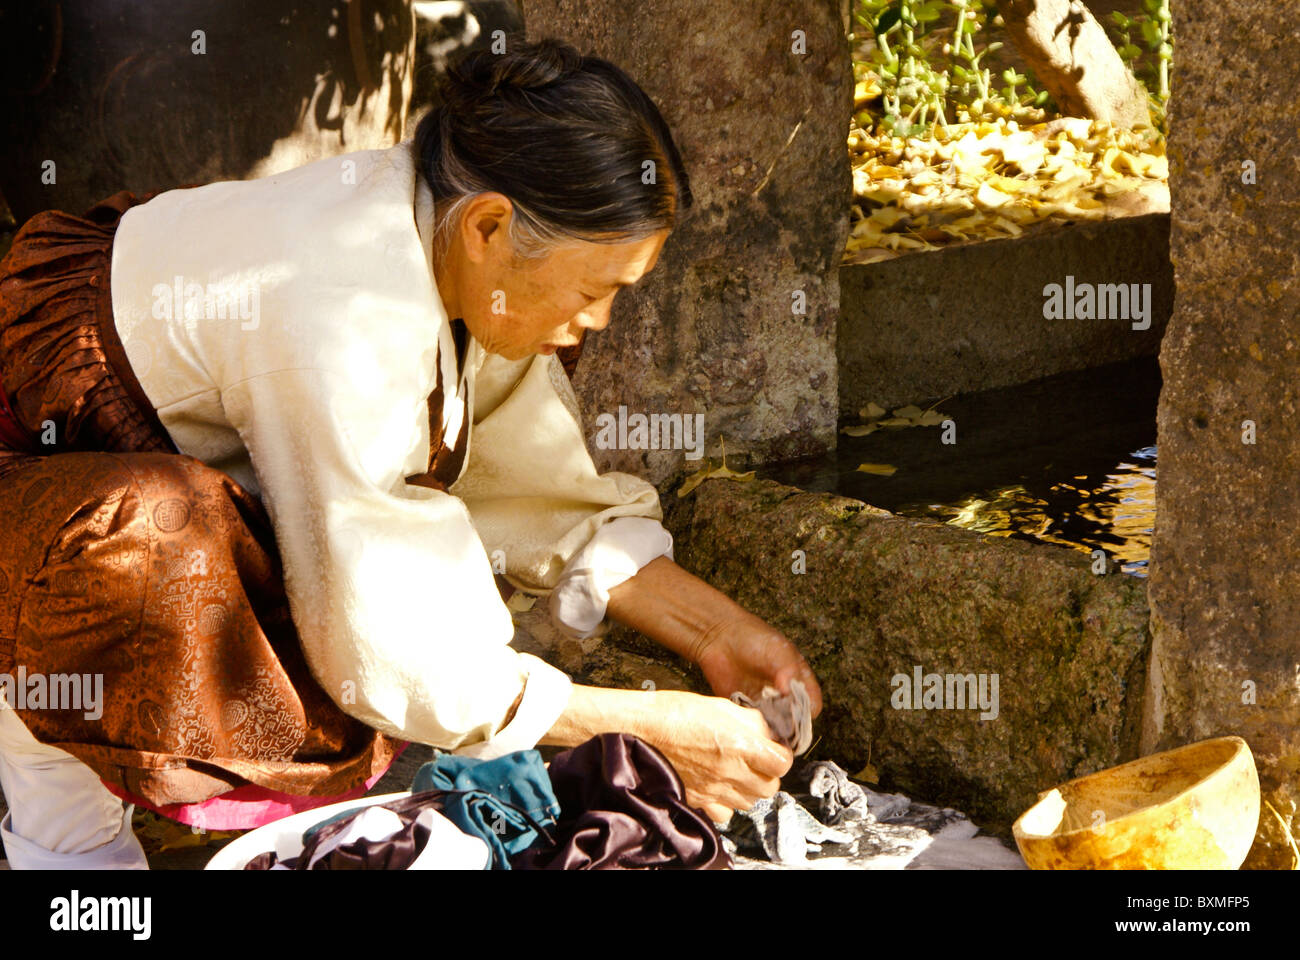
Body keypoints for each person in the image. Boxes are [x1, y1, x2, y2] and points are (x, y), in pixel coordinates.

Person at [0, 37, 822, 869]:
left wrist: (716, 631)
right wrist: (642, 726)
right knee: (165, 554)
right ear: (490, 225)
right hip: (42, 482)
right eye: (593, 290)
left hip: (110, 475)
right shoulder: (340, 307)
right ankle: (39, 755)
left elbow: (529, 481)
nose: (601, 319)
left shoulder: (447, 240)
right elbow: (379, 626)